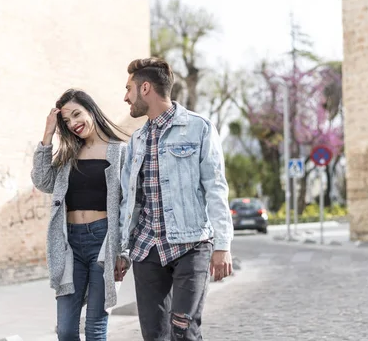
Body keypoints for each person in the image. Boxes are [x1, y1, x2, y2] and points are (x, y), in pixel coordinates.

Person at [118, 58, 234, 341]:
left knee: (183, 330)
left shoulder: (199, 128)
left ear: (145, 88)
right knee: (154, 335)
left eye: (129, 89)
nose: (125, 98)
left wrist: (223, 244)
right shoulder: (137, 140)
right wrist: (122, 250)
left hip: (191, 245)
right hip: (147, 250)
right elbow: (128, 201)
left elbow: (216, 188)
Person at [31, 89, 130, 341]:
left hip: (103, 243)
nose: (74, 124)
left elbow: (131, 205)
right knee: (65, 331)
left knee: (95, 328)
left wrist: (124, 252)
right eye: (67, 121)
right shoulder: (68, 155)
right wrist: (48, 134)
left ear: (91, 111)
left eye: (77, 114)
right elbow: (43, 181)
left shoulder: (120, 152)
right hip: (69, 244)